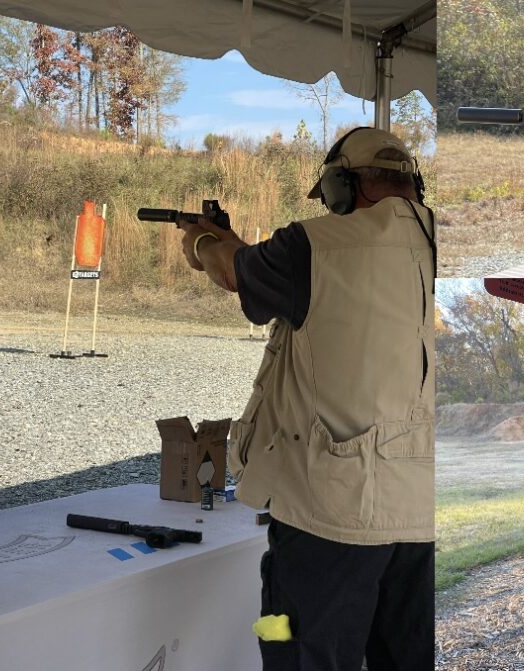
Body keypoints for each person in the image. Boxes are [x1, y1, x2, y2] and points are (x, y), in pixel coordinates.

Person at [177, 127, 436, 671]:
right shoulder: (441, 238)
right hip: (426, 510)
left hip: (333, 514)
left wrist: (201, 241)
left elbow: (232, 270)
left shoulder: (313, 244)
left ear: (342, 186)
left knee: (301, 654)